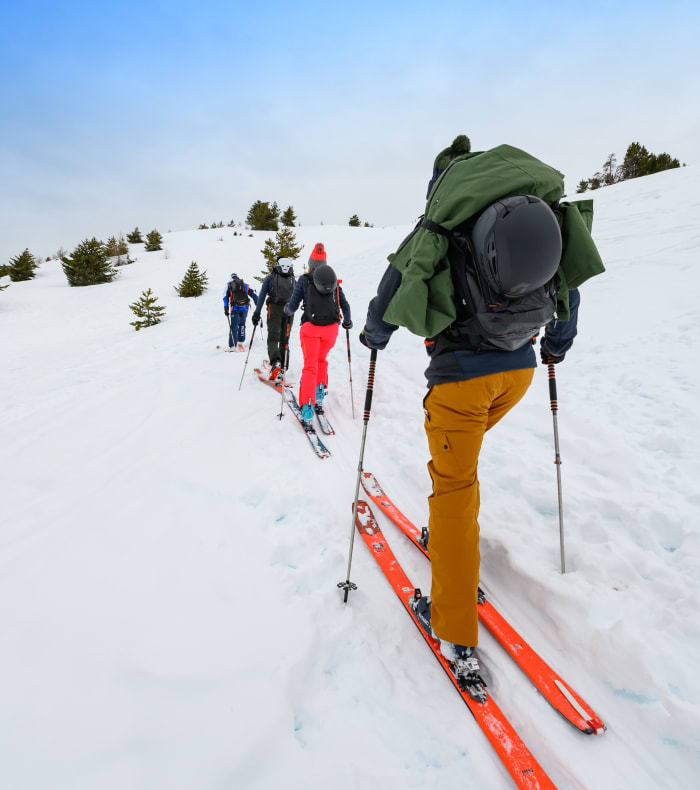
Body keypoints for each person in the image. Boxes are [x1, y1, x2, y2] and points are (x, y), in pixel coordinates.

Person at [360, 140, 602, 672]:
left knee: (454, 487)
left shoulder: (443, 226)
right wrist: (556, 343)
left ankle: (452, 626)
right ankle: (452, 542)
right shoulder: (527, 213)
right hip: (517, 375)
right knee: (459, 473)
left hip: (462, 381)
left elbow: (396, 280)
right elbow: (567, 287)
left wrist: (375, 335)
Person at [284, 243, 352, 426]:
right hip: (331, 329)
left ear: (310, 264)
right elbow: (344, 305)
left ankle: (307, 407)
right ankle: (319, 393)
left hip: (311, 328)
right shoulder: (333, 280)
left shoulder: (305, 280)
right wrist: (347, 321)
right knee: (321, 360)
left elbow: (293, 304)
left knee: (310, 367)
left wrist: (287, 310)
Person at [251, 257, 296, 381]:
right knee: (284, 339)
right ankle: (284, 366)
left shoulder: (270, 278)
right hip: (289, 311)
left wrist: (257, 312)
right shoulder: (292, 279)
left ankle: (276, 362)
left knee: (273, 338)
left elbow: (261, 296)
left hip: (274, 310)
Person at [223, 272, 258, 351]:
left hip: (235, 308)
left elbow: (225, 296)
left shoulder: (229, 285)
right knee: (242, 324)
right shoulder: (245, 285)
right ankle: (240, 342)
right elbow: (253, 293)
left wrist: (226, 307)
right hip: (245, 308)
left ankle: (232, 346)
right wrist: (257, 302)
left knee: (234, 326)